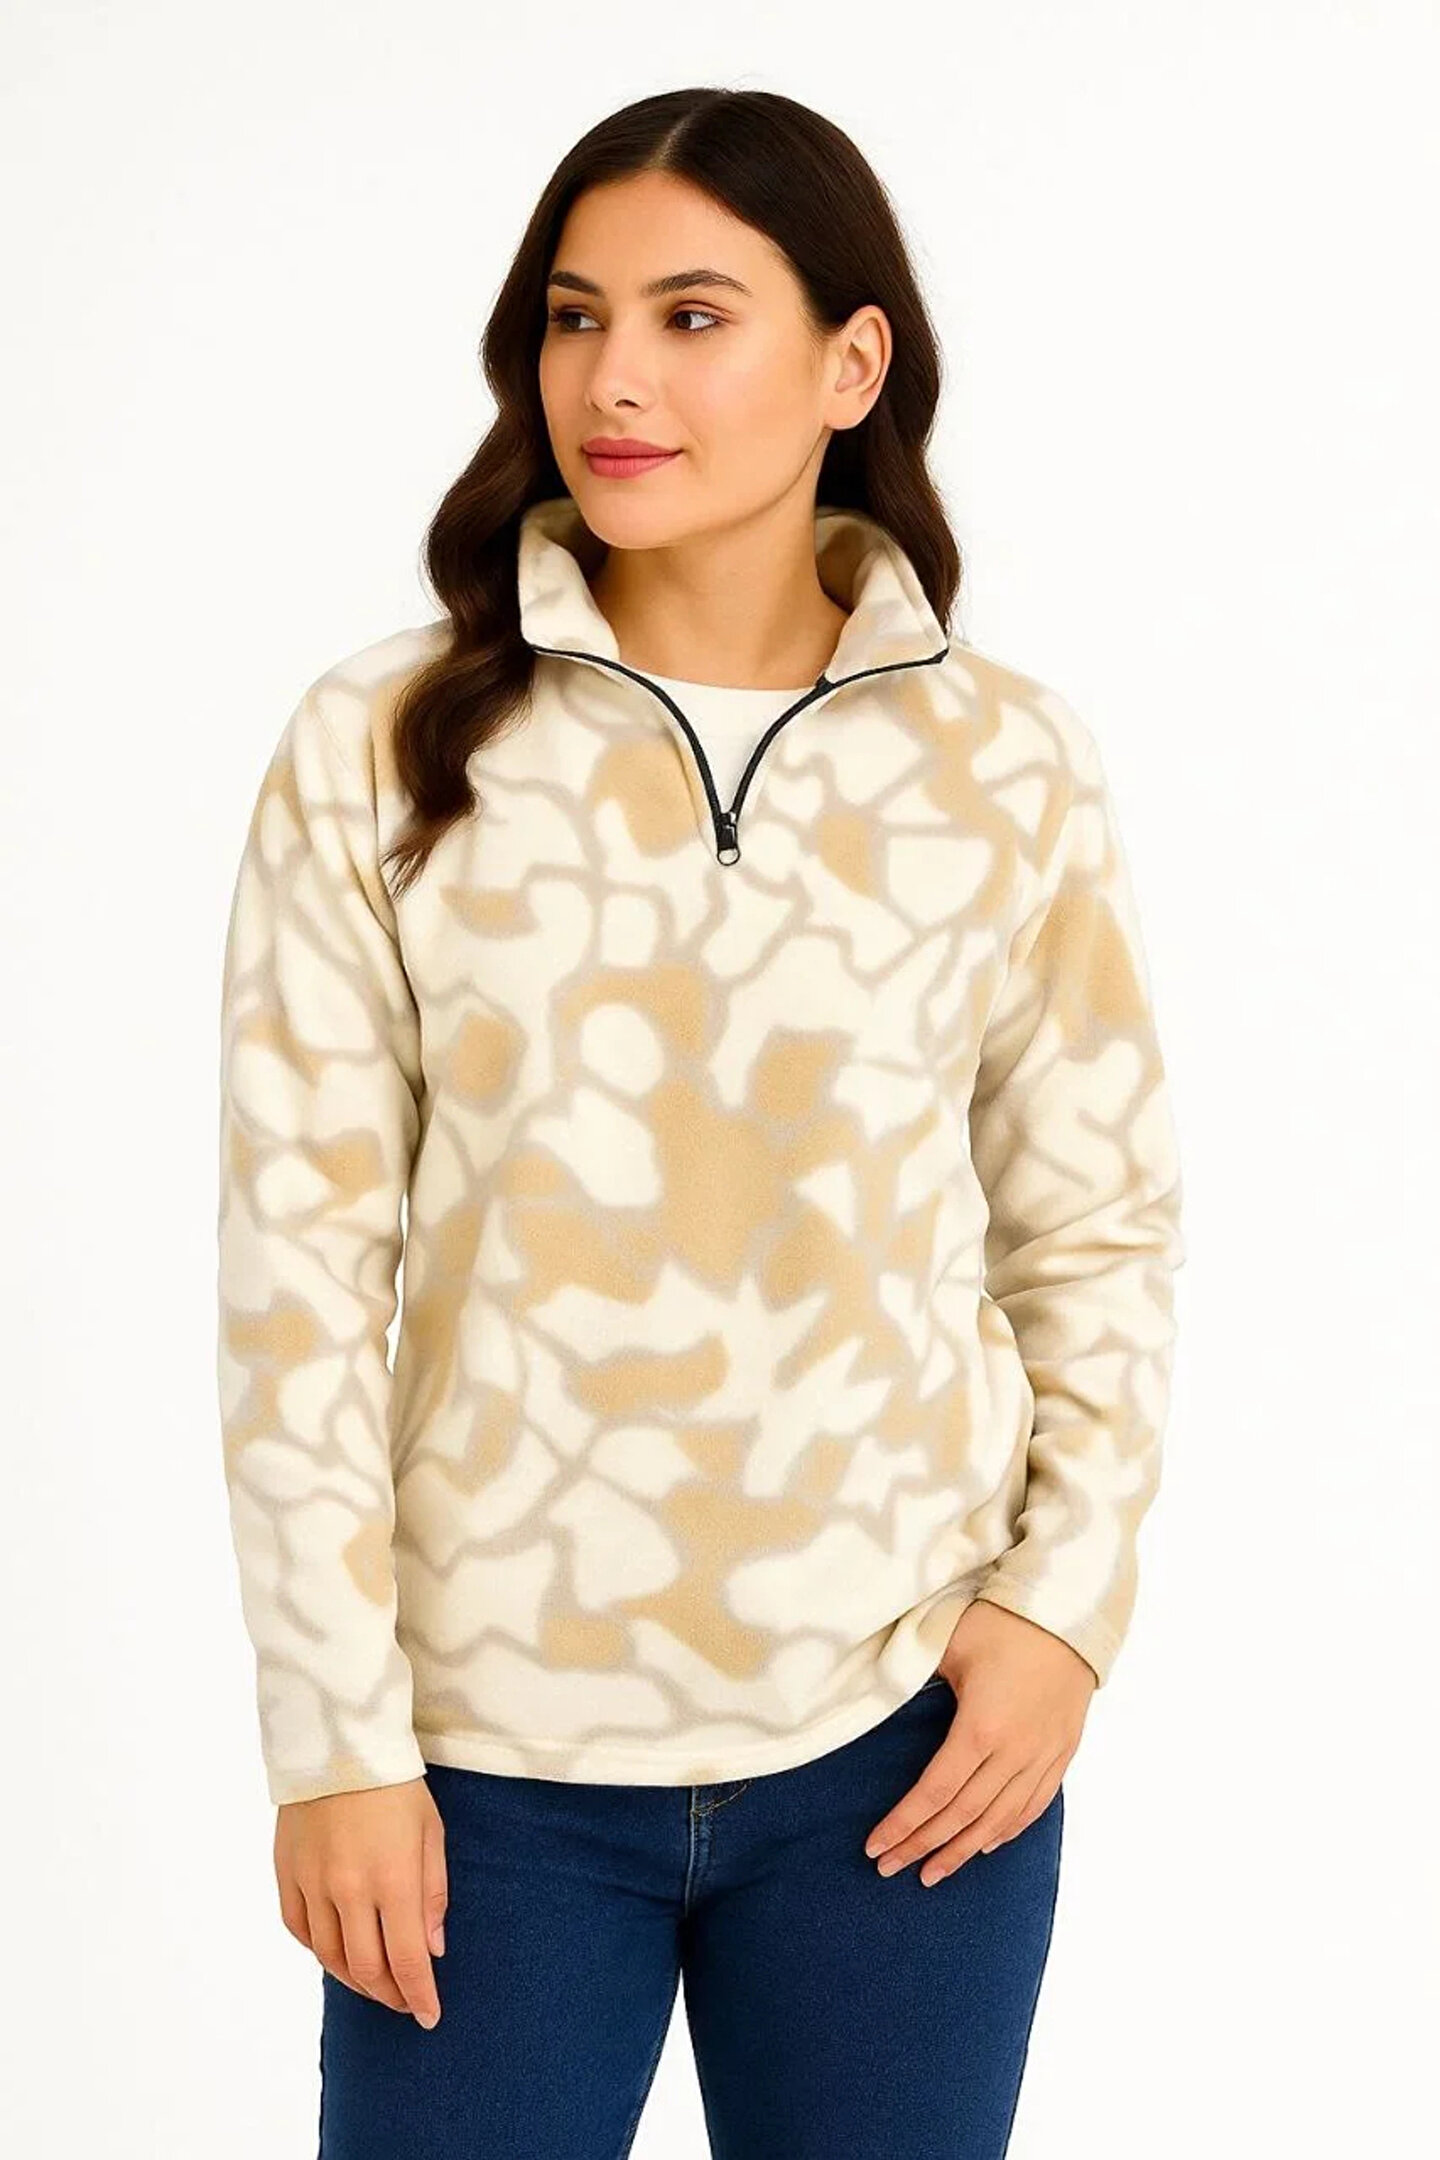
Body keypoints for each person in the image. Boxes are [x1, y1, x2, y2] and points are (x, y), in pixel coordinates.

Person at [216, 85, 1185, 2160]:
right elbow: (298, 1279)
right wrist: (333, 1742)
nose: (613, 380)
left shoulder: (1004, 764)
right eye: (575, 318)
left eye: (691, 316)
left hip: (904, 1755)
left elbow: (1095, 1228)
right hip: (477, 1772)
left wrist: (1058, 1617)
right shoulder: (387, 742)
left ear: (853, 362)